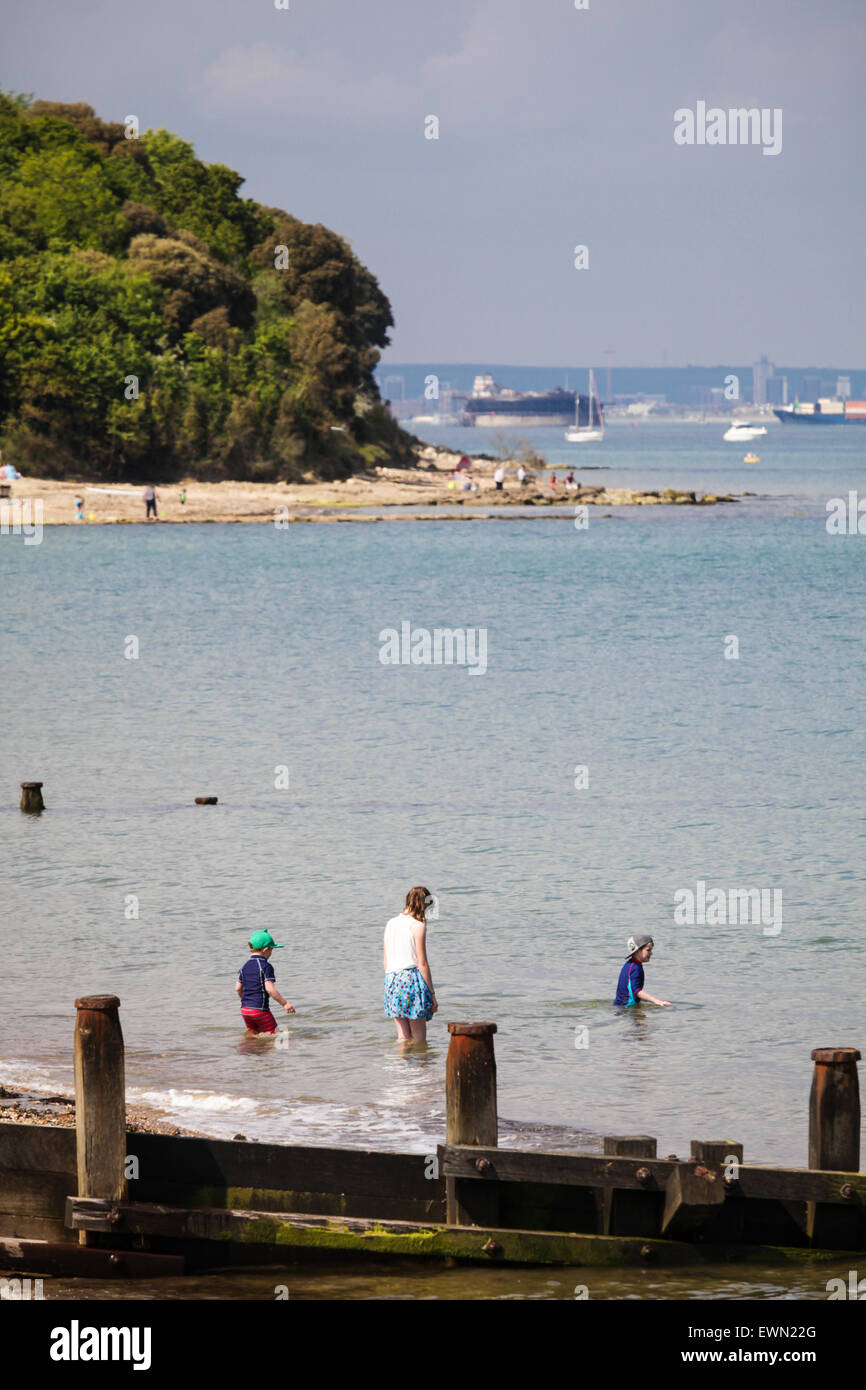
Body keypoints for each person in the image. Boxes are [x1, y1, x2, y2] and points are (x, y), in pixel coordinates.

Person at [383, 886, 438, 1043]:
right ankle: (422, 1067)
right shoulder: (417, 925)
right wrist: (432, 995)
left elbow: (386, 961)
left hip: (391, 980)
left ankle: (400, 1066)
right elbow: (422, 963)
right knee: (419, 1038)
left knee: (403, 1037)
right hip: (410, 980)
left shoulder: (391, 923)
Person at [235, 930, 295, 1033]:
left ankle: (249, 1048)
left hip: (245, 1010)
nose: (271, 953)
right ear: (265, 949)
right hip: (259, 1009)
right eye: (271, 950)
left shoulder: (244, 966)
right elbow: (270, 989)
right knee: (274, 1035)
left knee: (255, 1034)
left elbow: (238, 988)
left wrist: (246, 1003)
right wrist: (285, 1004)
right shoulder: (265, 966)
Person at [614, 935, 671, 1007]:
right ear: (637, 951)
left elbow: (632, 990)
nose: (651, 953)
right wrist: (657, 1001)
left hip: (620, 1006)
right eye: (648, 950)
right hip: (627, 1007)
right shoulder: (636, 968)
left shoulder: (629, 964)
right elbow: (636, 991)